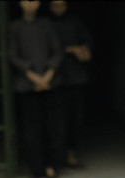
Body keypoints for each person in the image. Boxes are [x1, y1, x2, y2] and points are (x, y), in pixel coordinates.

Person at [9, 1, 66, 178]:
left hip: (50, 83)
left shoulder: (47, 24)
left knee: (52, 127)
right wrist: (33, 76)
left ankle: (52, 165)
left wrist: (47, 75)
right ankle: (36, 167)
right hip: (26, 85)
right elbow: (12, 55)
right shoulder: (14, 27)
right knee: (31, 129)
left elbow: (57, 52)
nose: (31, 4)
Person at [49, 1, 93, 168]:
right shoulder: (47, 24)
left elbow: (87, 41)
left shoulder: (75, 22)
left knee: (75, 118)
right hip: (54, 79)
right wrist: (71, 49)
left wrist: (85, 50)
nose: (58, 9)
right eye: (55, 5)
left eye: (61, 5)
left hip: (75, 78)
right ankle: (57, 158)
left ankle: (71, 154)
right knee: (57, 121)